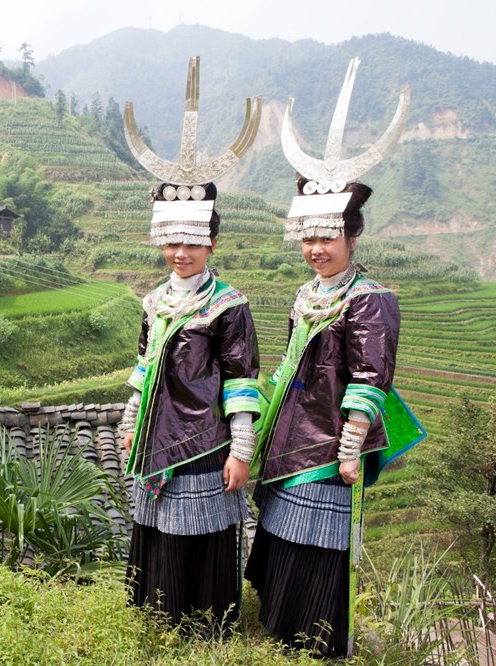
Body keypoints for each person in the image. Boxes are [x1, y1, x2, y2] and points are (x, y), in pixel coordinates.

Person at [245, 175, 401, 658]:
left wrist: (351, 445)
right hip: (288, 428)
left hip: (330, 437)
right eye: (309, 239)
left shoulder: (369, 299)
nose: (317, 249)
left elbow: (370, 375)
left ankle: (316, 639)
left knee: (318, 536)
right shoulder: (306, 293)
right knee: (283, 525)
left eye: (327, 238)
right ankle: (278, 625)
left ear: (351, 240)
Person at [120, 180, 261, 629]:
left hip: (203, 440)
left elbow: (241, 379)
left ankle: (205, 623)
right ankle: (159, 617)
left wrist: (241, 451)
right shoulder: (155, 301)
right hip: (154, 439)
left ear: (211, 245)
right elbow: (144, 367)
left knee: (200, 531)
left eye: (193, 243)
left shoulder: (228, 306)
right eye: (172, 242)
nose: (181, 253)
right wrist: (131, 421)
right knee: (158, 530)